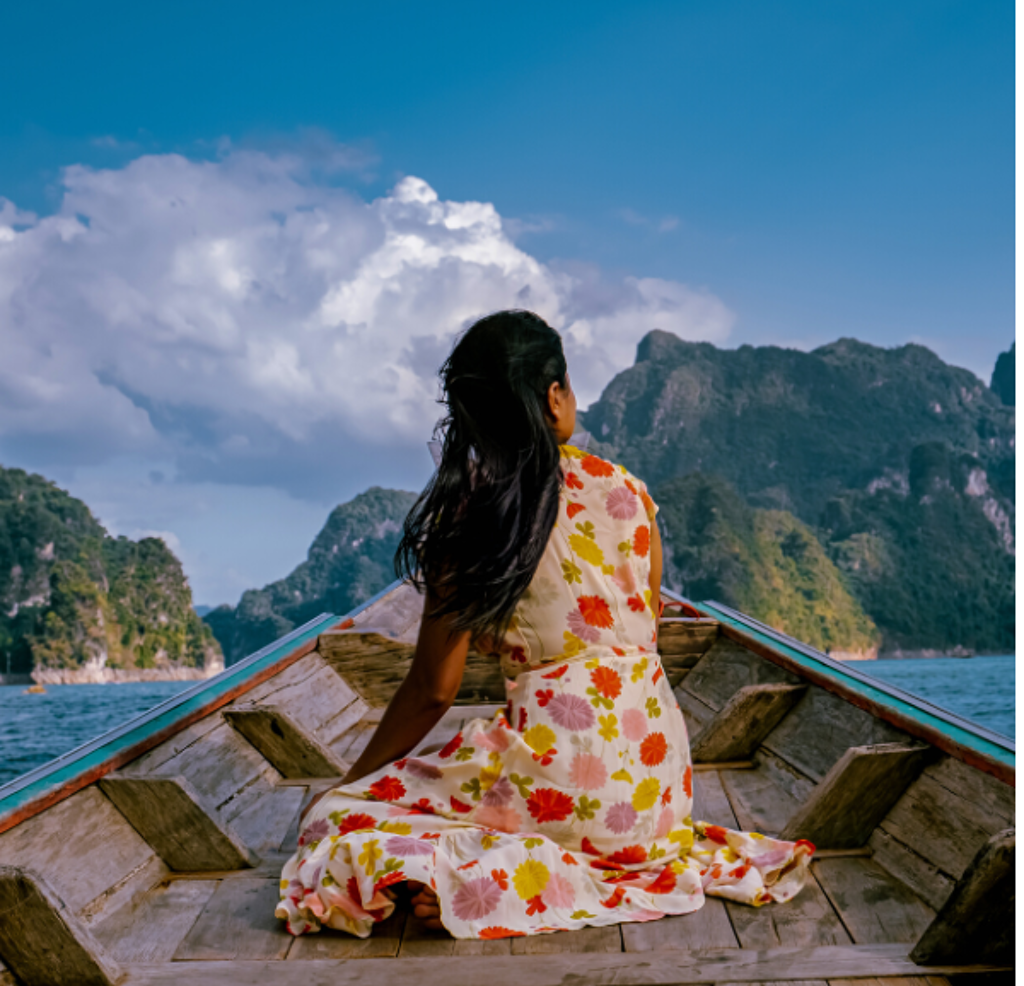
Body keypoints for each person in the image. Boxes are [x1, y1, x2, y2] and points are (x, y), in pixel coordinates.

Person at [276, 310, 813, 939]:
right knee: (493, 761)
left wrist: (352, 784)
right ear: (555, 397)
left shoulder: (469, 513)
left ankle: (491, 875)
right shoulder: (629, 493)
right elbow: (644, 632)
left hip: (562, 771)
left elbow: (432, 691)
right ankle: (519, 865)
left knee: (338, 822)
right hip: (660, 790)